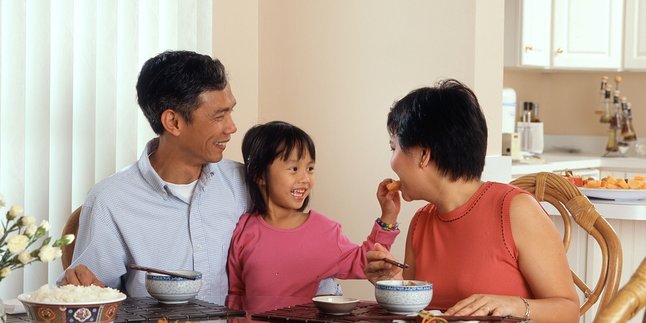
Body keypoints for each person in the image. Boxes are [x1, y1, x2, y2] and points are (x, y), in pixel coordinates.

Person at [364, 79, 580, 323]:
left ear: (424, 154)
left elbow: (569, 313)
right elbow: (421, 314)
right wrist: (394, 284)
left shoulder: (516, 210)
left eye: (394, 148)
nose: (392, 161)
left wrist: (511, 304)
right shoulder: (420, 222)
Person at [58, 50, 249, 305]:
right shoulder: (111, 201)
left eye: (230, 112)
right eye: (218, 116)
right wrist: (83, 291)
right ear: (173, 122)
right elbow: (89, 298)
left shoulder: (245, 183)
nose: (232, 127)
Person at [225, 121, 401, 314]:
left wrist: (388, 216)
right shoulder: (244, 229)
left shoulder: (324, 231)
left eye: (310, 169)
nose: (305, 179)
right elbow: (236, 293)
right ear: (259, 175)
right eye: (293, 169)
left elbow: (366, 261)